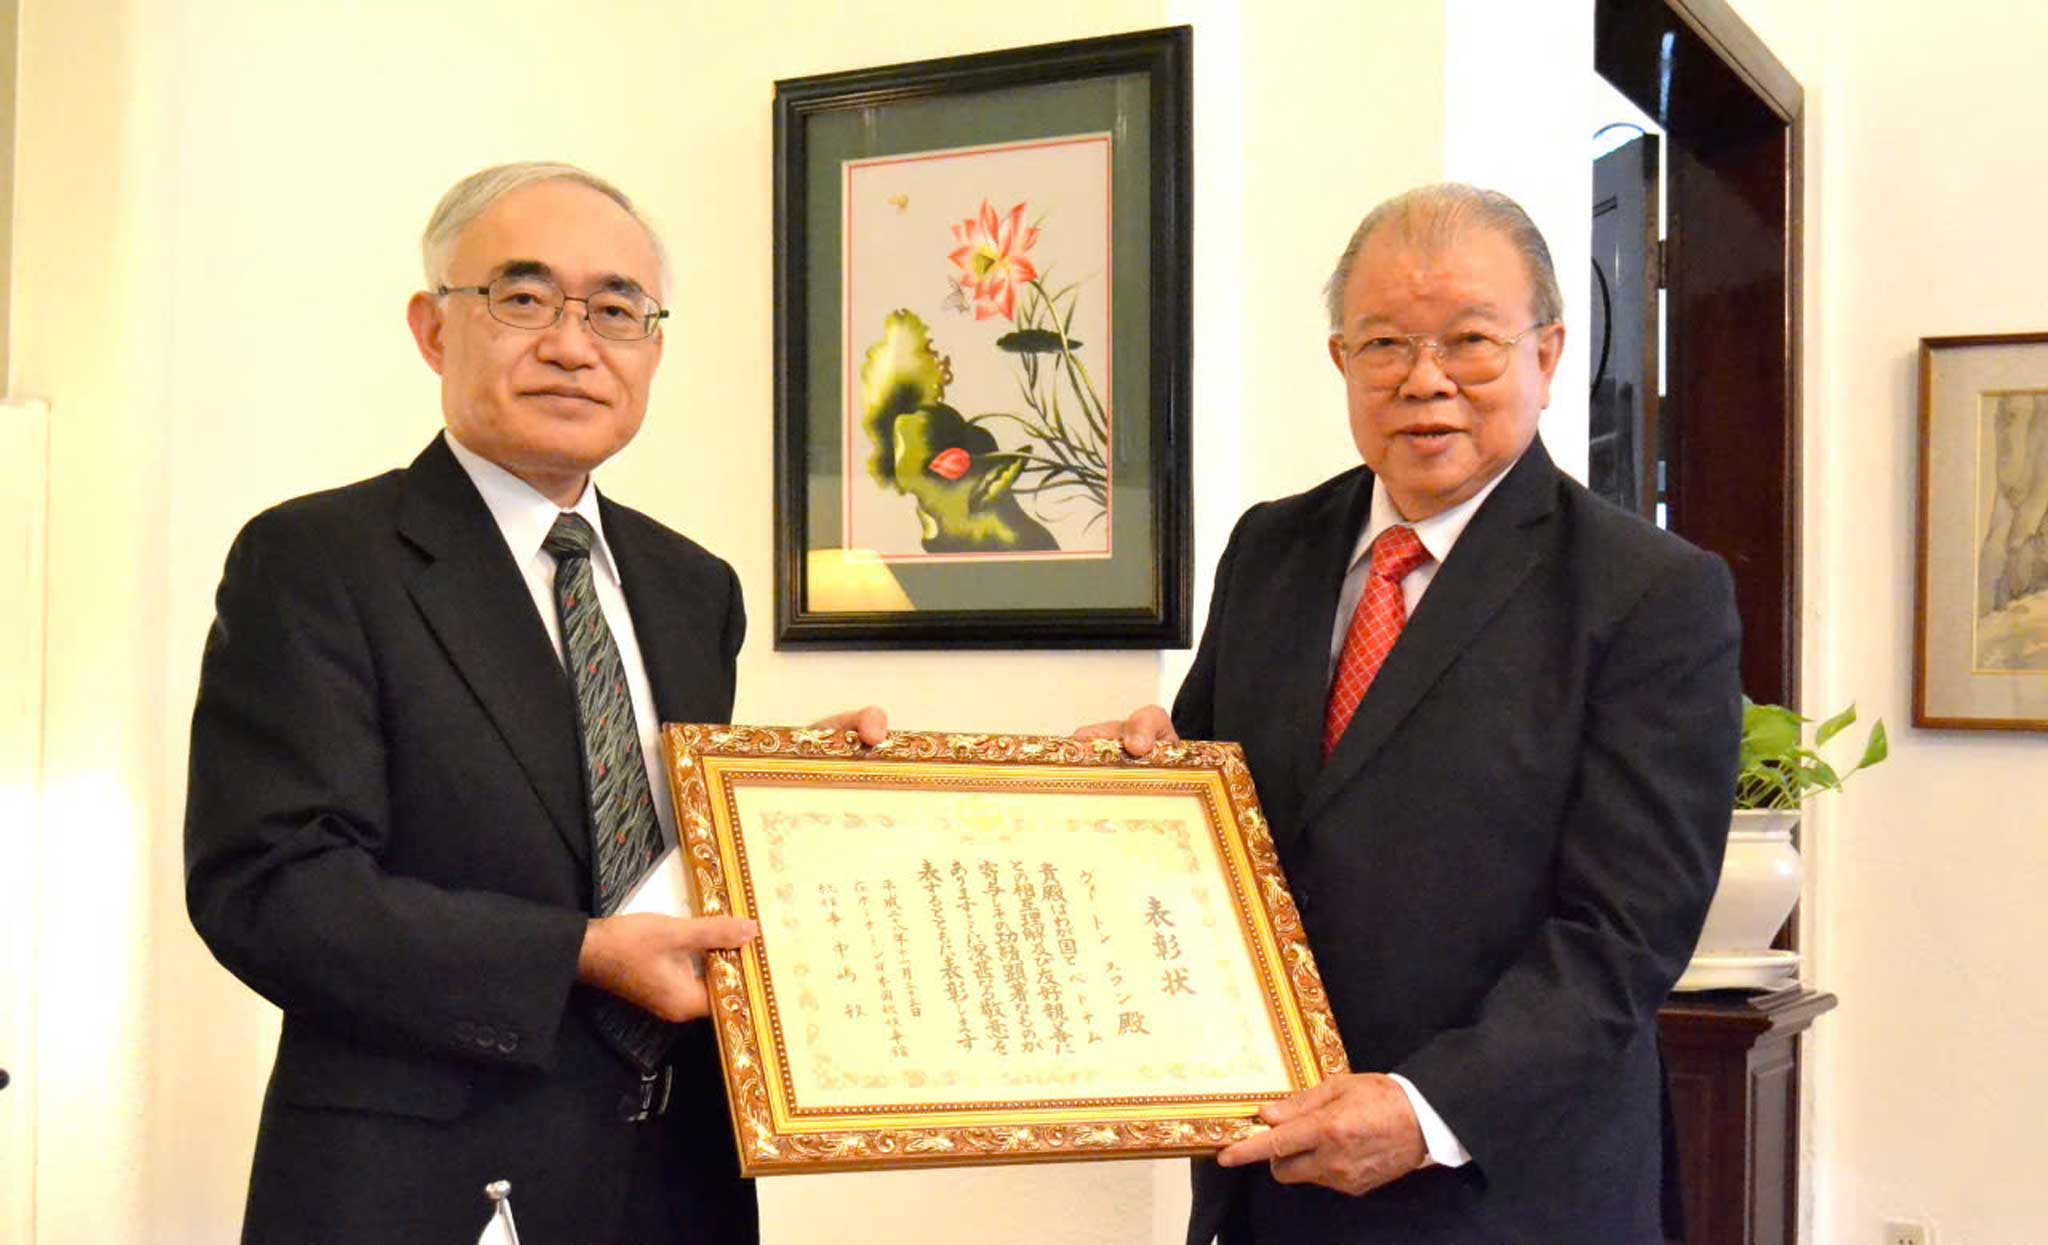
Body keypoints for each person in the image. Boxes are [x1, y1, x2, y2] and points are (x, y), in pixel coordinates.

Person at [184, 162, 881, 1244]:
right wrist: (576, 955)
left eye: (615, 310)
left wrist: (788, 801)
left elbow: (648, 854)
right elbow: (271, 891)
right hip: (420, 1186)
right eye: (521, 299)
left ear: (652, 347)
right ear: (432, 329)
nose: (572, 343)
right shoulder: (319, 559)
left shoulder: (693, 587)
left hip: (678, 1181)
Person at [1079, 184, 1742, 1243]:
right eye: (1384, 341)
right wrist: (1126, 785)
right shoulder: (1270, 548)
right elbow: (1216, 817)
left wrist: (1423, 1110)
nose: (1423, 380)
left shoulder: (1647, 591)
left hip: (1501, 1189)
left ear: (1547, 354)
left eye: (1469, 341)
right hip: (1268, 1175)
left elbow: (1623, 934)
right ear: (1341, 361)